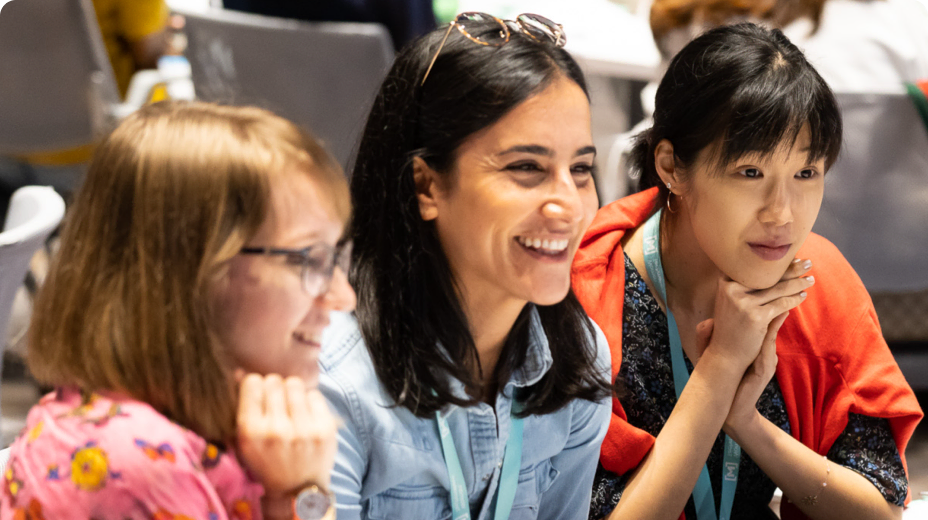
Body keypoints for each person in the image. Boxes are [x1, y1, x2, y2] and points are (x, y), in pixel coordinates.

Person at [572, 23, 923, 520]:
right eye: (750, 172)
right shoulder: (588, 292)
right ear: (671, 167)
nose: (782, 213)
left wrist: (747, 423)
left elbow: (881, 512)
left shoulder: (816, 281)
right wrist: (721, 367)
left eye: (806, 173)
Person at [318, 12, 613, 520]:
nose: (569, 205)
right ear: (426, 185)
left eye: (581, 169)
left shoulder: (579, 358)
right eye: (527, 167)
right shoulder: (333, 380)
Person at [0, 101, 356, 520]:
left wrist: (292, 494)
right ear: (194, 273)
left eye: (337, 257)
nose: (343, 296)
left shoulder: (216, 426)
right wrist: (305, 493)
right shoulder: (134, 465)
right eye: (310, 259)